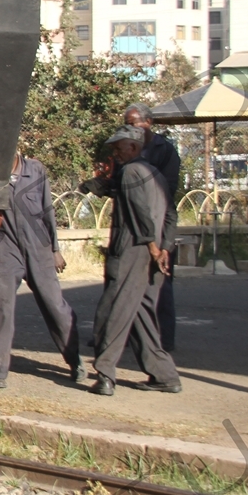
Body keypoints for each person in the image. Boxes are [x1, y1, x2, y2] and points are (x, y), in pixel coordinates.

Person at [90, 127, 181, 396]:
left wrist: (153, 246)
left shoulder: (130, 172)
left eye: (119, 148)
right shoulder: (156, 175)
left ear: (134, 147)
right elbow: (171, 216)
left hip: (132, 250)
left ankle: (105, 375)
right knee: (141, 315)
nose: (115, 154)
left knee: (113, 313)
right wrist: (164, 248)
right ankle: (165, 375)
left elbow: (141, 213)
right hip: (152, 254)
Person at [0, 148, 84, 388]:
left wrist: (55, 250)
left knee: (55, 306)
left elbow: (48, 210)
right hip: (5, 249)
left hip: (38, 247)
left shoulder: (35, 170)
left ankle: (75, 360)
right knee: (1, 307)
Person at [124, 102, 180, 353]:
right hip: (131, 226)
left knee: (160, 284)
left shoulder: (165, 150)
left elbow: (166, 194)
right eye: (126, 124)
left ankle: (164, 340)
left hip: (157, 224)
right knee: (123, 283)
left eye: (133, 123)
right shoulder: (125, 148)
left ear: (148, 123)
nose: (129, 128)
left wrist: (163, 244)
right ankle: (121, 335)